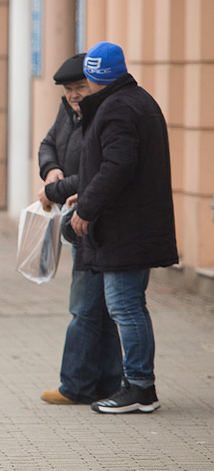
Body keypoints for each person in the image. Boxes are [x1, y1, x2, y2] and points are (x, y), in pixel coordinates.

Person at [71, 42, 178, 414]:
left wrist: (86, 206)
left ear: (92, 76)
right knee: (130, 305)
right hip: (134, 224)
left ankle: (139, 388)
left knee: (126, 306)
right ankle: (136, 384)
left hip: (125, 228)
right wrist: (83, 194)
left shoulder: (116, 108)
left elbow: (117, 166)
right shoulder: (137, 100)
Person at [38, 53, 123, 405]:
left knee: (86, 306)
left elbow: (95, 171)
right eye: (70, 88)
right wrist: (51, 169)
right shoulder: (69, 113)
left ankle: (75, 384)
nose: (74, 94)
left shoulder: (99, 116)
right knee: (98, 307)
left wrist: (50, 191)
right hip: (78, 218)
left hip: (95, 219)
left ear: (96, 83)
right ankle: (107, 382)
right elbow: (47, 144)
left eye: (80, 87)